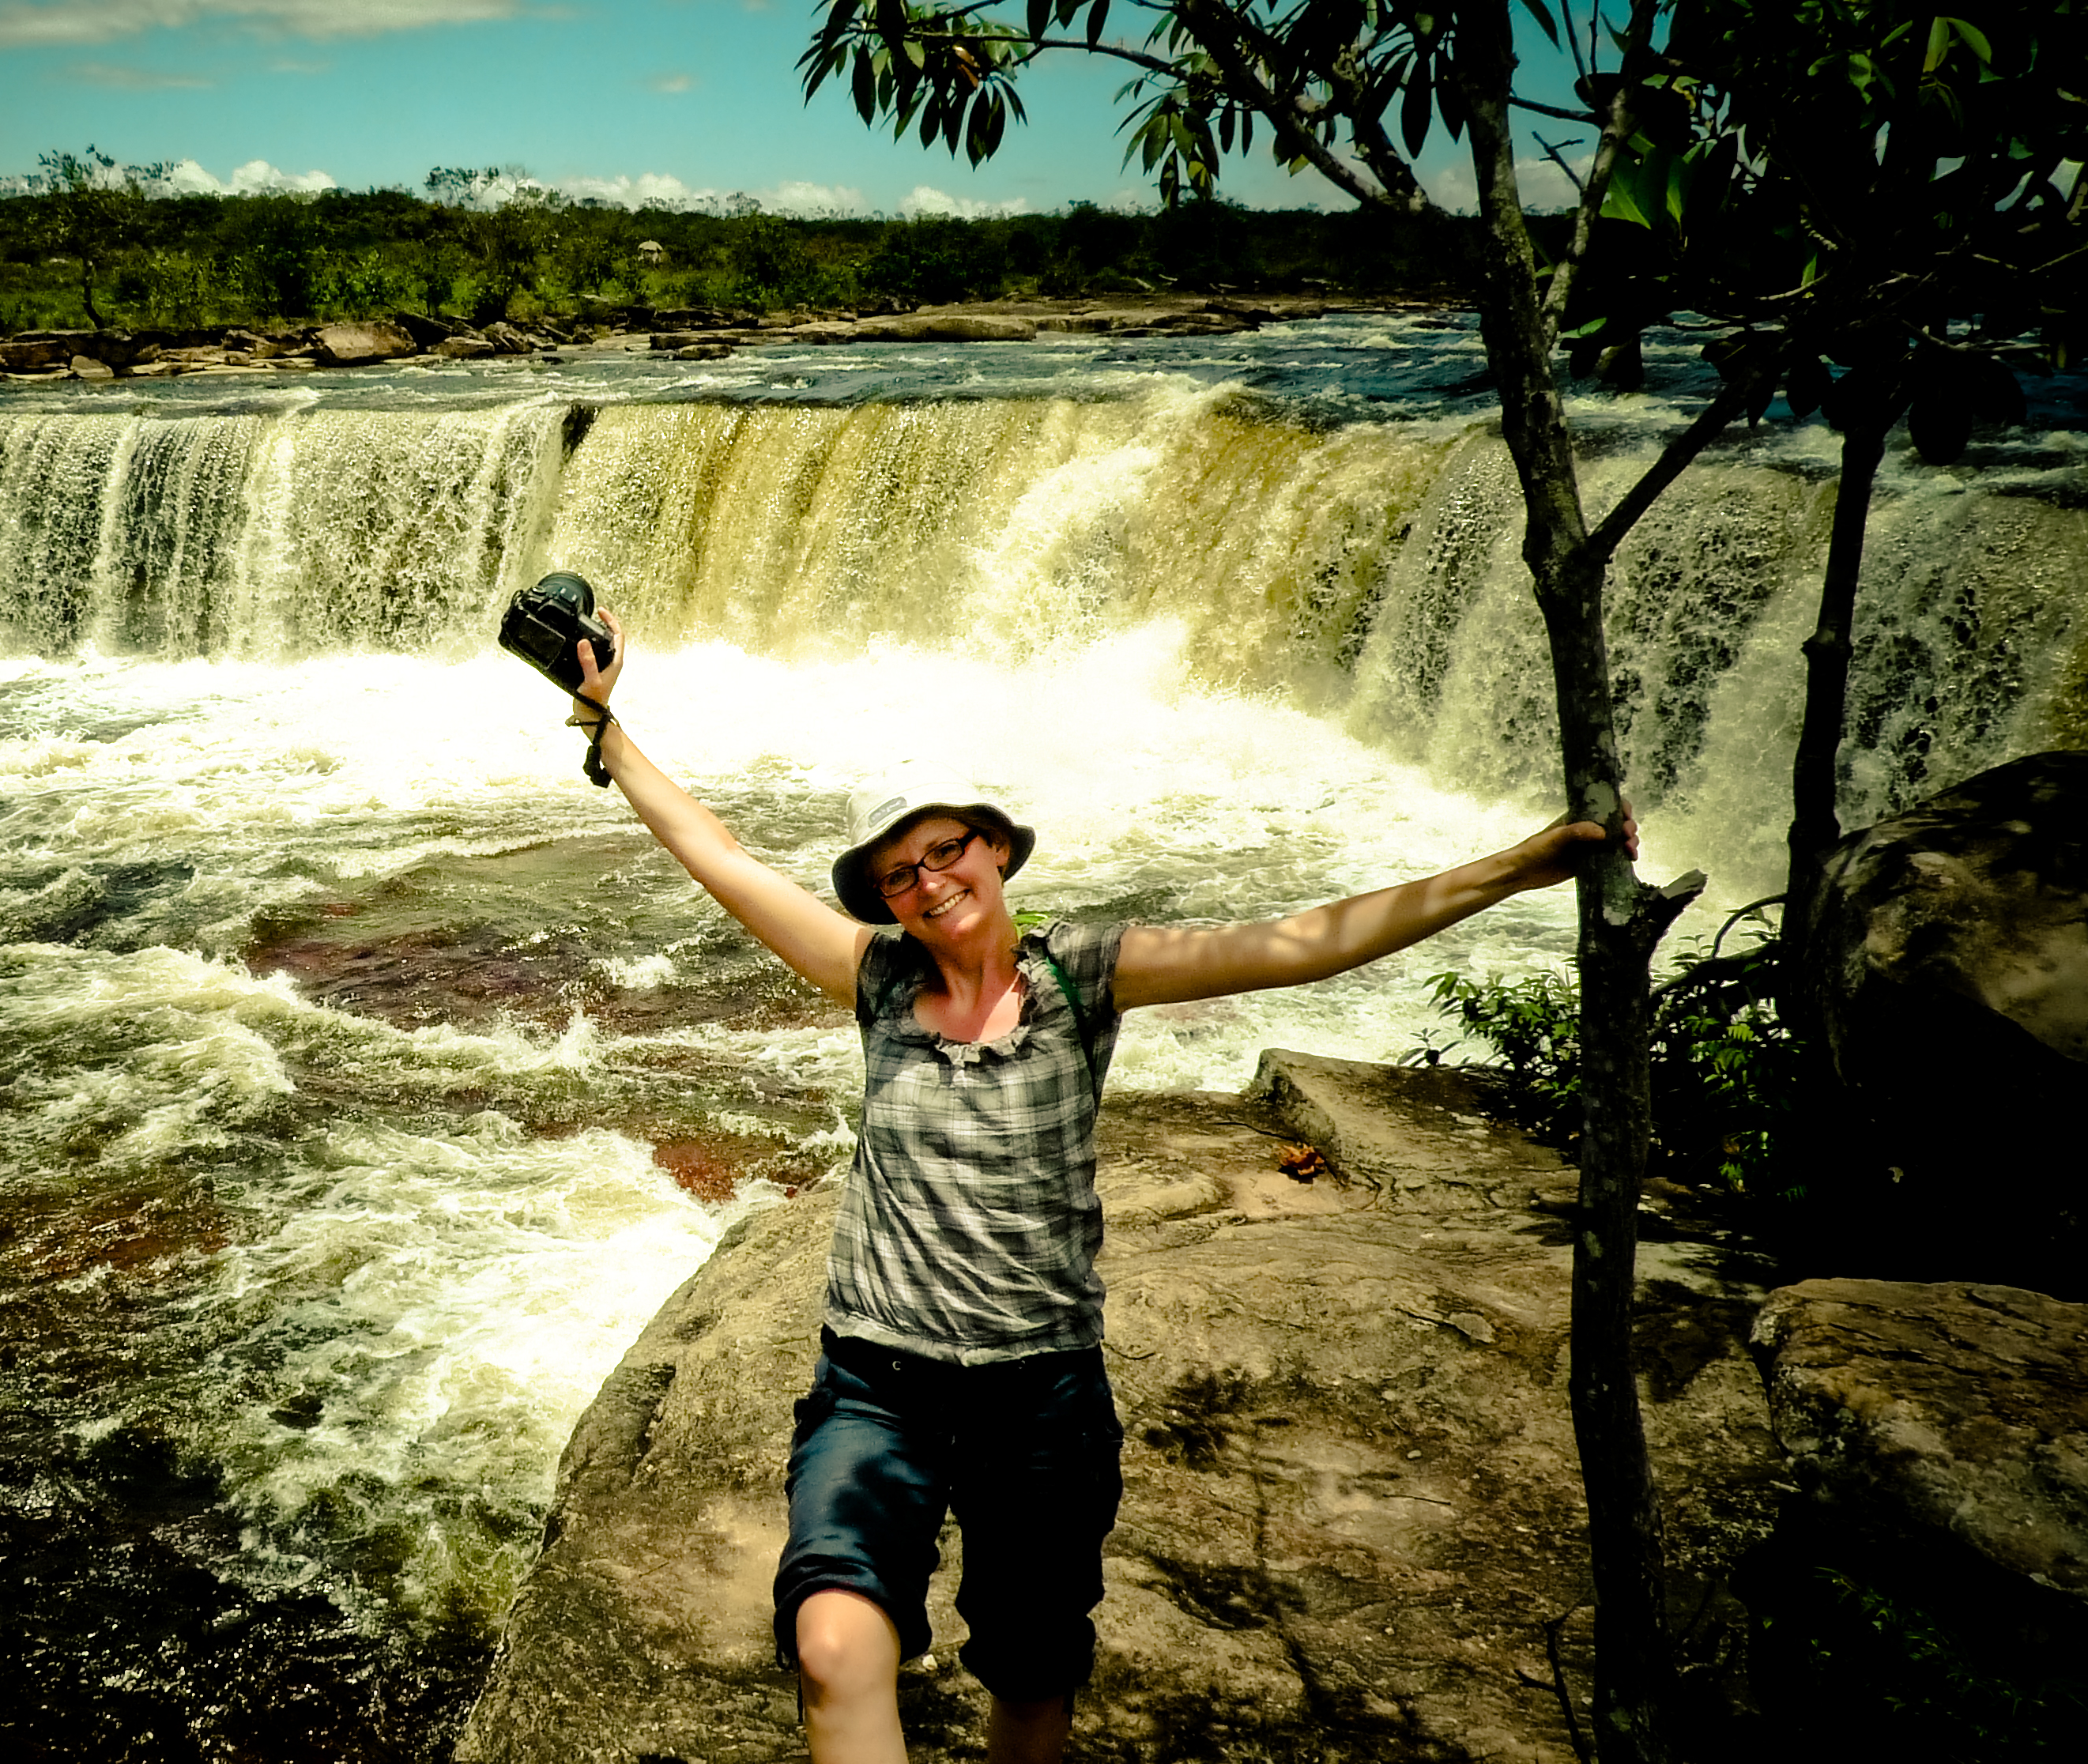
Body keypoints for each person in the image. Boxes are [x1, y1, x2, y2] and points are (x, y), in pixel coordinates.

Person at [553, 613, 1631, 1764]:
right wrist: (607, 727)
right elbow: (714, 852)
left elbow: (1303, 942)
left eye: (945, 849)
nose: (927, 880)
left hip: (1039, 1396)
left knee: (1029, 1678)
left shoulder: (1085, 973)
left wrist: (1524, 865)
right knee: (832, 1647)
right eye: (898, 872)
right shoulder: (872, 980)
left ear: (996, 850)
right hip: (878, 1382)